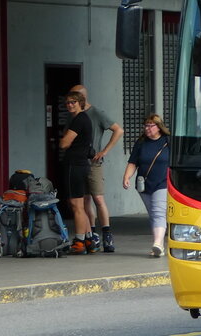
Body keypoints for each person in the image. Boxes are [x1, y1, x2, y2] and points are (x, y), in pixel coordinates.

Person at [70, 83, 123, 253]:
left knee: (98, 198)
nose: (71, 102)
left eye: (75, 98)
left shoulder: (96, 113)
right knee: (85, 200)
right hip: (79, 162)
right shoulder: (74, 116)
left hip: (93, 162)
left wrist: (104, 151)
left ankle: (106, 233)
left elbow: (118, 130)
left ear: (83, 97)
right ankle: (91, 234)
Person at [122, 113, 170, 257]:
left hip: (162, 182)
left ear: (159, 127)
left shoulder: (168, 141)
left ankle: (157, 243)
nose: (147, 128)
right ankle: (159, 246)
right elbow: (133, 162)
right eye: (146, 125)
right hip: (144, 183)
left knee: (158, 212)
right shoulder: (141, 143)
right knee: (153, 214)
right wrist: (126, 177)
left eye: (151, 125)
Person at [59, 91, 97, 254]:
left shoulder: (79, 120)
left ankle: (79, 241)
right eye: (67, 102)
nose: (70, 105)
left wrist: (63, 139)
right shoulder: (83, 119)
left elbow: (64, 143)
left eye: (73, 102)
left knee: (76, 205)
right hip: (82, 165)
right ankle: (89, 239)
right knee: (81, 204)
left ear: (80, 103)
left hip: (74, 165)